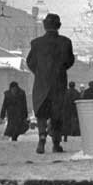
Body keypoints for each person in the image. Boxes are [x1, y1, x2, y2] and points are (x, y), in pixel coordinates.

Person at [26, 13, 75, 154]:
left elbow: (30, 62)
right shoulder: (66, 42)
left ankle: (41, 138)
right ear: (58, 26)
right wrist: (60, 70)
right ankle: (56, 143)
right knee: (57, 115)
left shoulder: (36, 43)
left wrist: (40, 72)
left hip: (41, 84)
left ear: (44, 26)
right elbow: (70, 61)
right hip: (58, 84)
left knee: (41, 114)